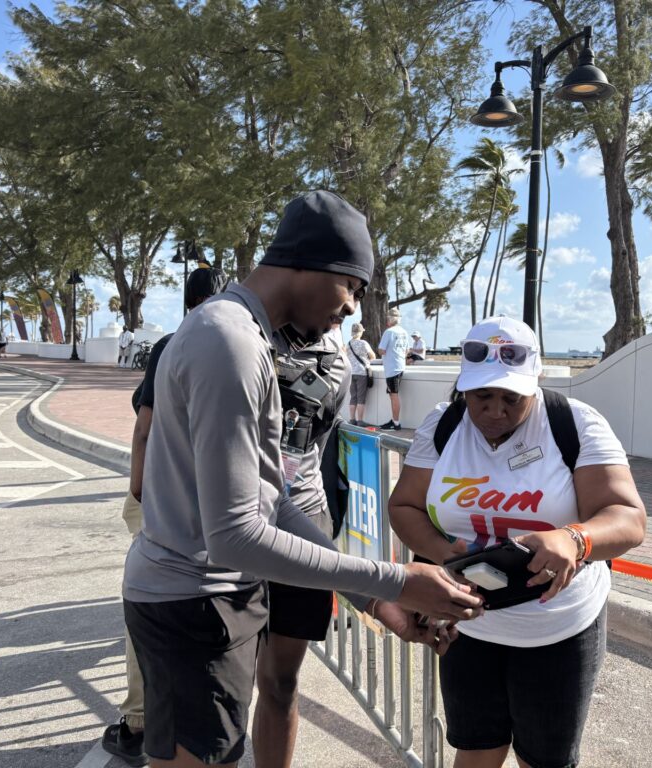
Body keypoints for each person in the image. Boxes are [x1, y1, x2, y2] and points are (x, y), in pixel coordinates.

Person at [121, 190, 481, 768]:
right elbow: (236, 534)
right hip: (196, 602)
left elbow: (273, 499)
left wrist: (375, 595)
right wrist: (395, 579)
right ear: (314, 264)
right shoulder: (231, 343)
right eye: (353, 288)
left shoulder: (241, 335)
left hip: (201, 598)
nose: (352, 311)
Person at [388, 316, 646, 768]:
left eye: (512, 397)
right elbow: (404, 506)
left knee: (543, 760)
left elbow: (628, 518)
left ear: (536, 382)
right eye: (481, 396)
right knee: (475, 750)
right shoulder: (443, 424)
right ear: (463, 387)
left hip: (558, 629)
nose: (494, 410)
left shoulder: (575, 423)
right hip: (469, 623)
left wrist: (575, 538)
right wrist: (441, 550)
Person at [102, 265, 230, 767]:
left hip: (166, 498)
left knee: (151, 600)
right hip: (219, 503)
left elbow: (144, 427)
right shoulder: (245, 346)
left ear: (187, 300)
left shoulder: (173, 344)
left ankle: (139, 720)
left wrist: (138, 488)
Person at [253, 315, 351, 768]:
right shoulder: (241, 334)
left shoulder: (337, 359)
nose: (349, 305)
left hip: (303, 515)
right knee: (223, 677)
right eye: (345, 288)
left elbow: (319, 443)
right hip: (231, 517)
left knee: (280, 681)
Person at [377, 308, 409, 430]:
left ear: (390, 319)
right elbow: (406, 351)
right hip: (400, 366)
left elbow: (381, 350)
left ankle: (396, 423)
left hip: (392, 368)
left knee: (394, 395)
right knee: (392, 394)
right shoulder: (404, 332)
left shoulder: (389, 332)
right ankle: (394, 421)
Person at [346, 322, 375, 427]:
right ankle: (360, 421)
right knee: (361, 397)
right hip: (361, 373)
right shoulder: (363, 343)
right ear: (360, 332)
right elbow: (373, 356)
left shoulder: (348, 344)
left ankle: (352, 419)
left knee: (353, 397)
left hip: (351, 373)